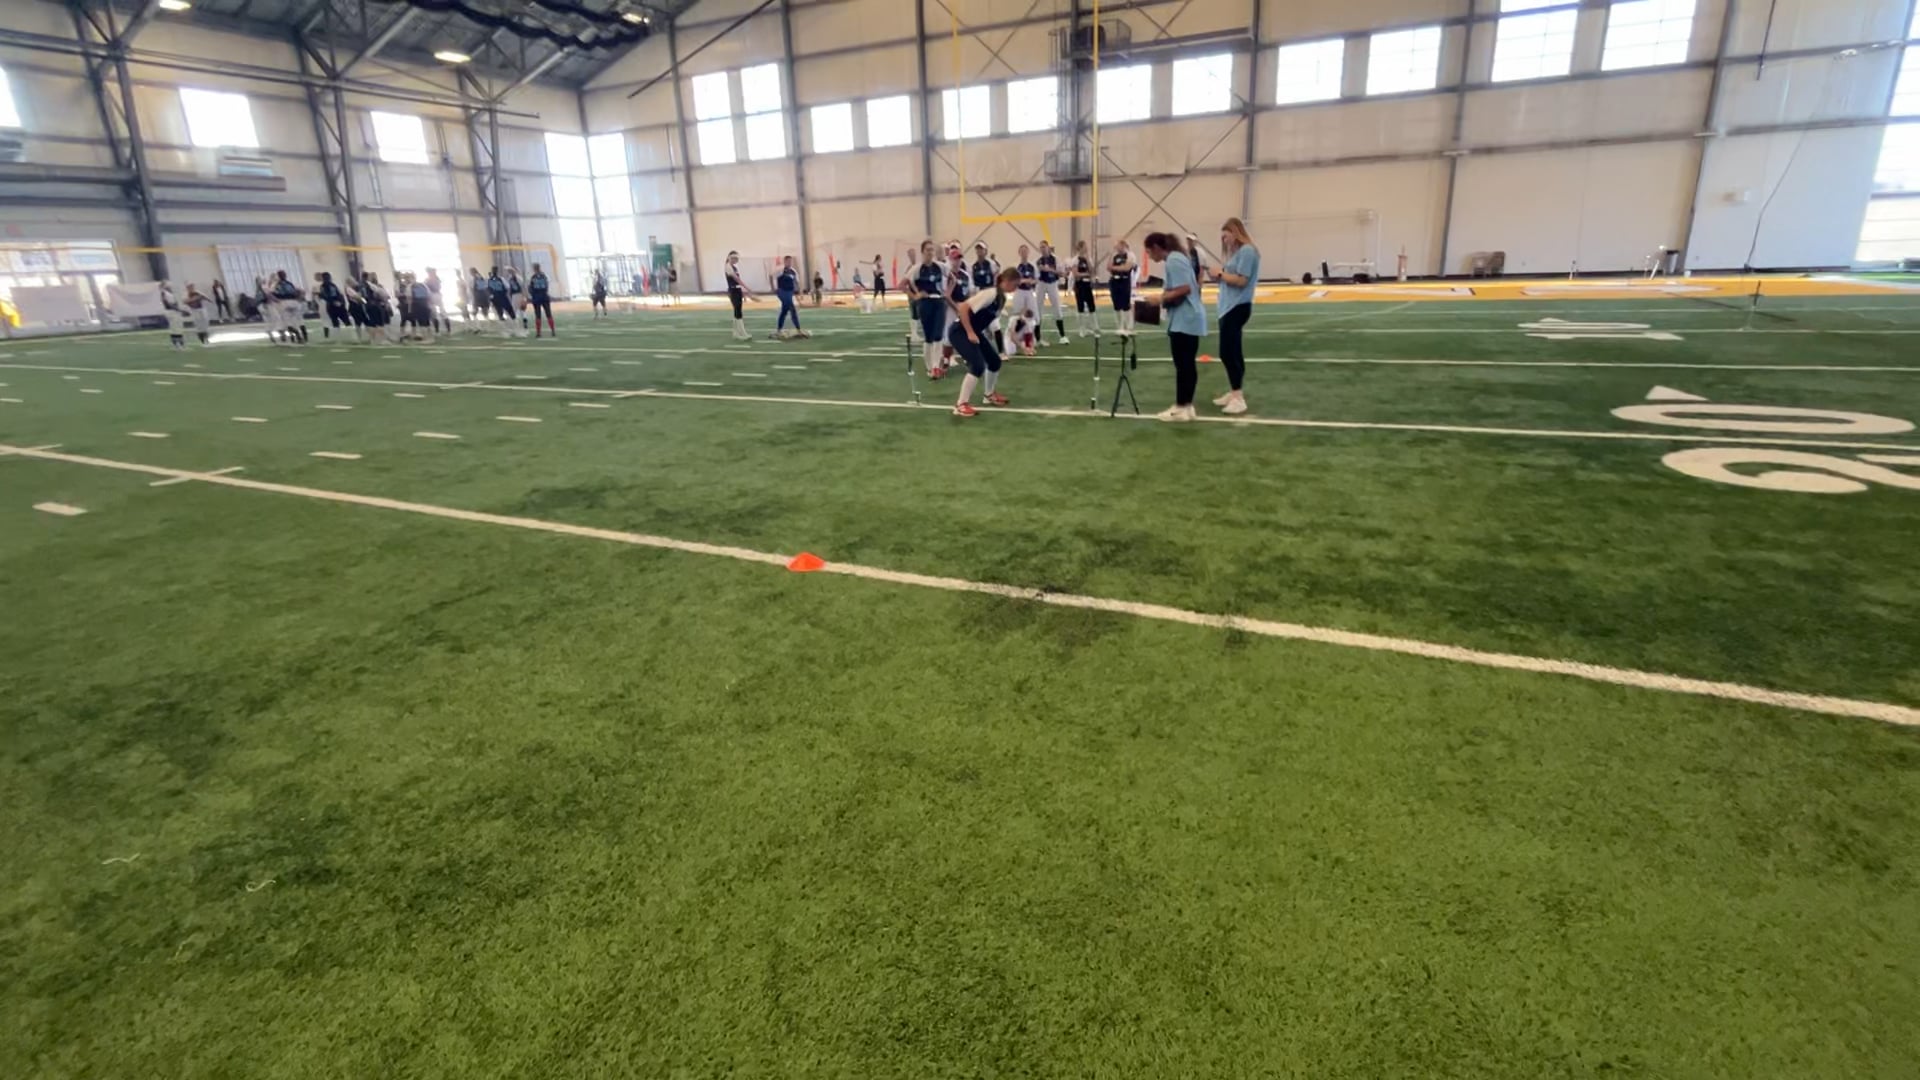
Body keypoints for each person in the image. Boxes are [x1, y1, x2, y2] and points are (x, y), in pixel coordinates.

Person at [1143, 232, 1207, 422]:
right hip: (1186, 318)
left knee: (1183, 365)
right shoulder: (1177, 258)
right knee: (1186, 364)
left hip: (1185, 319)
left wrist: (1159, 299)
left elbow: (1184, 288)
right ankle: (1186, 405)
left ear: (1156, 248)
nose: (1149, 257)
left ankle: (1181, 406)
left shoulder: (1173, 260)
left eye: (1149, 252)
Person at [947, 266, 1019, 418]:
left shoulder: (1001, 298)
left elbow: (983, 316)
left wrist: (985, 331)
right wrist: (970, 332)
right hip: (959, 331)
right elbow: (964, 308)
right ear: (1007, 281)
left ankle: (989, 395)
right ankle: (960, 405)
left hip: (974, 331)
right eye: (1015, 284)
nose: (1016, 288)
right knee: (978, 365)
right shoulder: (991, 293)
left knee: (994, 362)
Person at [1208, 217, 1259, 416]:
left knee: (1227, 352)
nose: (1224, 240)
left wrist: (1220, 274)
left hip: (1236, 306)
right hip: (1229, 307)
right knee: (1234, 351)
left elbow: (1241, 280)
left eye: (1226, 236)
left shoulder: (1247, 251)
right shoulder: (1239, 253)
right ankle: (1234, 391)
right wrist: (1219, 275)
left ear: (1235, 232)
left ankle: (1238, 397)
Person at [911, 240, 949, 379]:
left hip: (939, 302)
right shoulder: (917, 269)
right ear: (922, 252)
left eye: (932, 250)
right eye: (927, 250)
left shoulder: (940, 266)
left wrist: (947, 293)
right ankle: (929, 367)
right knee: (929, 337)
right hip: (925, 304)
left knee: (938, 335)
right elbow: (903, 284)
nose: (930, 252)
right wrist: (916, 295)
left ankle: (935, 367)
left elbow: (952, 278)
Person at [1005, 244, 1039, 356]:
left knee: (1032, 315)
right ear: (1019, 253)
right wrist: (1023, 281)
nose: (1024, 253)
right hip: (1019, 291)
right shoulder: (1016, 266)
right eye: (1022, 251)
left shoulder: (1032, 266)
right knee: (1017, 315)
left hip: (1029, 291)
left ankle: (1031, 339)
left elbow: (1036, 279)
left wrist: (1031, 282)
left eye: (1026, 251)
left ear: (1028, 253)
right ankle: (1017, 337)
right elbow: (1014, 280)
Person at [1036, 241, 1067, 346]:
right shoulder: (1038, 260)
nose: (1042, 249)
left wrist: (1049, 270)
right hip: (1041, 283)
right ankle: (1037, 338)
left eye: (1044, 247)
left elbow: (1062, 273)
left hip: (1052, 283)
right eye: (1041, 247)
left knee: (1057, 307)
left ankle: (1063, 336)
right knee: (1038, 308)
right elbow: (1035, 274)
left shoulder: (1055, 259)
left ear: (1048, 247)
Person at [772, 255, 809, 339]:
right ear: (784, 262)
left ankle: (779, 330)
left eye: (790, 261)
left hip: (789, 292)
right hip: (782, 291)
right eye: (788, 261)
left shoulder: (793, 271)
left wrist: (800, 292)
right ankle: (798, 329)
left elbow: (797, 282)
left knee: (785, 310)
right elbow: (771, 276)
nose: (789, 263)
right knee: (791, 308)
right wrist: (773, 288)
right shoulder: (780, 270)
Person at [1108, 238, 1136, 337]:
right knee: (1116, 304)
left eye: (1118, 245)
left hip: (1124, 281)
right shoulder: (1114, 255)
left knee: (1125, 304)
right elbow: (1108, 267)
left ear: (1123, 245)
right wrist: (1118, 268)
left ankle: (1129, 327)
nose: (1116, 247)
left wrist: (1115, 268)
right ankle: (1120, 327)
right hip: (1114, 281)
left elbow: (1127, 268)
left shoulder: (1130, 255)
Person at [270, 270, 308, 344]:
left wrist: (276, 300)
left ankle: (297, 335)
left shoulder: (276, 284)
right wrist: (299, 298)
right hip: (294, 302)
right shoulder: (290, 283)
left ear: (278, 276)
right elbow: (302, 291)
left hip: (283, 302)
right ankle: (300, 336)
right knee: (296, 320)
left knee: (287, 322)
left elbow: (270, 294)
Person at [1071, 240, 1098, 339]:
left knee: (1091, 305)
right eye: (1084, 246)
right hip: (1079, 284)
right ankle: (1082, 329)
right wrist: (1086, 274)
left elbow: (1092, 271)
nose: (1086, 248)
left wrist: (1087, 260)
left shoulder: (1088, 258)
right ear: (1080, 248)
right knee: (1080, 306)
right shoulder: (1075, 260)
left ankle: (1095, 327)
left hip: (1087, 284)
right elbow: (1076, 274)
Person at [725, 251, 752, 341]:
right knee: (738, 312)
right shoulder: (728, 267)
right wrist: (747, 288)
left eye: (736, 258)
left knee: (737, 311)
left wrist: (742, 292)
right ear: (730, 258)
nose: (736, 260)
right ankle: (742, 333)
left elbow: (737, 281)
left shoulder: (734, 267)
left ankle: (736, 333)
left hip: (737, 290)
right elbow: (736, 279)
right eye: (734, 258)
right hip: (733, 291)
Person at [317, 271, 352, 341]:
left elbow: (337, 295)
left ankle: (346, 336)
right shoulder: (326, 286)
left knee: (341, 321)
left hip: (335, 305)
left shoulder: (330, 285)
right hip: (333, 305)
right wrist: (337, 302)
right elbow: (326, 296)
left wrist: (340, 302)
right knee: (339, 322)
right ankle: (344, 337)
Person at [360, 271, 392, 345]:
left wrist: (365, 303)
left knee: (373, 323)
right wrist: (384, 301)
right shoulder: (372, 286)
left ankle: (373, 340)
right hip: (376, 305)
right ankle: (381, 340)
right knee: (380, 323)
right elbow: (382, 295)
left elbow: (362, 297)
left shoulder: (362, 286)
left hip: (369, 305)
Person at [406, 271, 436, 343]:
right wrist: (430, 305)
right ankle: (431, 337)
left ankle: (426, 338)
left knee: (421, 322)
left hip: (417, 305)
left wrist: (409, 309)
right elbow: (429, 295)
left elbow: (409, 298)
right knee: (427, 321)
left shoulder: (410, 286)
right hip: (425, 304)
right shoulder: (423, 285)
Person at [527, 263, 555, 338]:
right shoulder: (544, 276)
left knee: (538, 315)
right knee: (548, 314)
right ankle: (553, 330)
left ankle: (538, 332)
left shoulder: (533, 277)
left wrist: (532, 294)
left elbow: (530, 288)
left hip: (536, 297)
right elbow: (547, 285)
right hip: (544, 296)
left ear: (534, 268)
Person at [425, 267, 450, 334]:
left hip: (434, 295)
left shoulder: (430, 280)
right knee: (439, 313)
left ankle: (439, 331)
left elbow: (431, 288)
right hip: (436, 295)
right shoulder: (435, 279)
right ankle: (444, 330)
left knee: (437, 313)